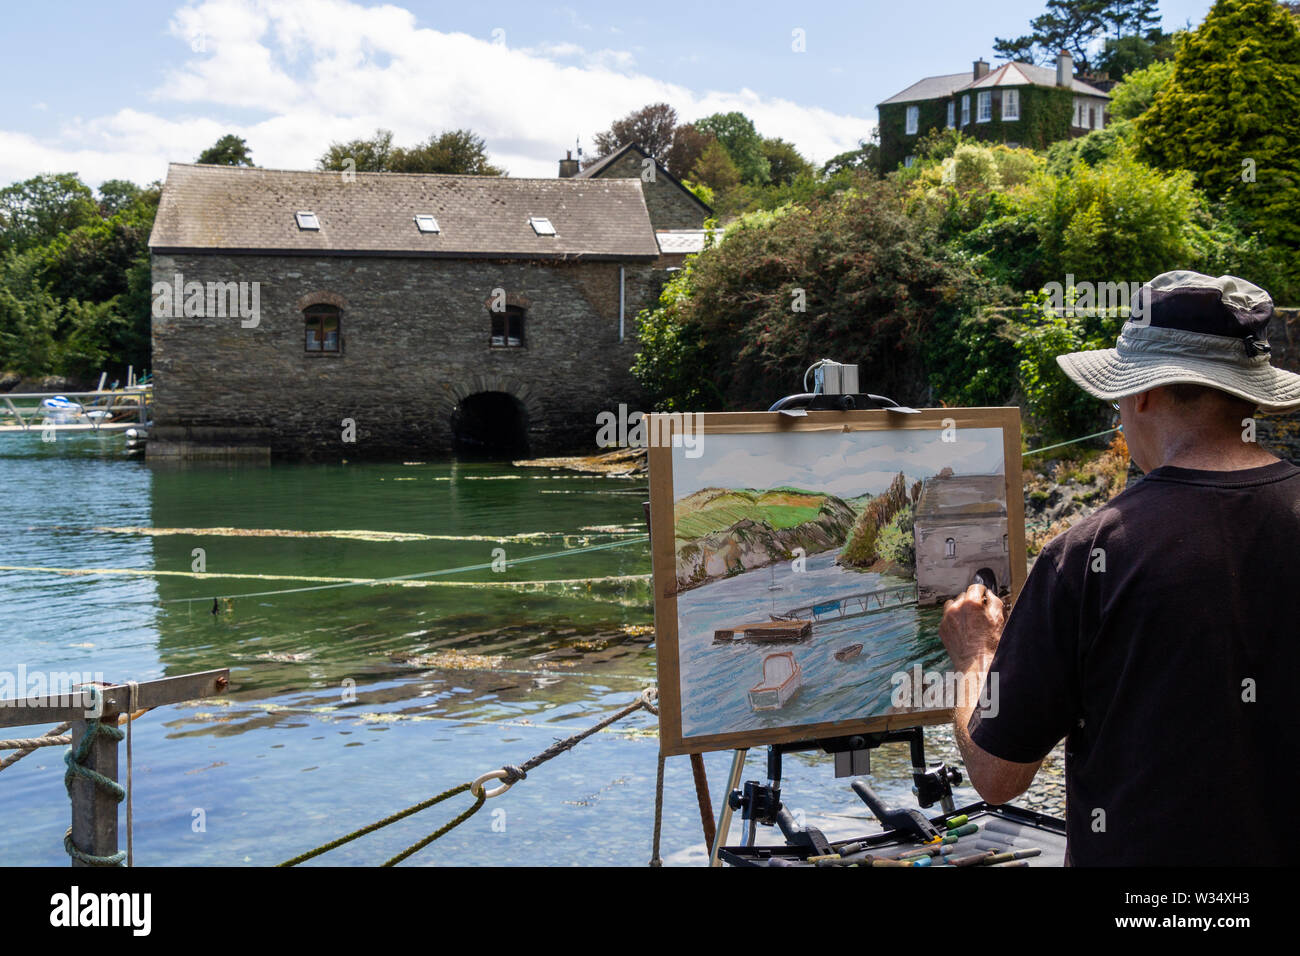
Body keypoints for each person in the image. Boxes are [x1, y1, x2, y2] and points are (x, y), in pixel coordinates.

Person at [939, 271, 1300, 865]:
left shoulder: (1086, 556)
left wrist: (976, 654)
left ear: (1145, 393)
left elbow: (997, 776)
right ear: (1250, 393)